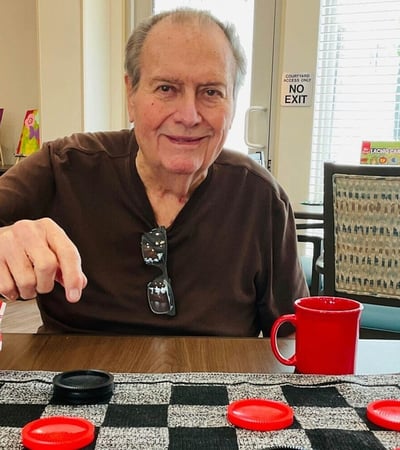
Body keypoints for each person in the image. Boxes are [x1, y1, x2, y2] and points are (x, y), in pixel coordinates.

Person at [0, 8, 308, 336]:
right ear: (131, 95)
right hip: (77, 382)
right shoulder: (62, 166)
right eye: (166, 89)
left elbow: (292, 337)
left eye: (211, 92)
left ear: (233, 104)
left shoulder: (260, 197)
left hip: (213, 382)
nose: (189, 116)